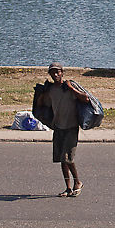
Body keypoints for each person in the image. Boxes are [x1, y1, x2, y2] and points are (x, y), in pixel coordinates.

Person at [42, 62, 90, 197]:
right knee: (61, 160)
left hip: (71, 127)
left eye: (58, 72)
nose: (56, 74)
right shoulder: (51, 90)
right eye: (53, 72)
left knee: (68, 158)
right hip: (58, 126)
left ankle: (78, 182)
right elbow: (43, 104)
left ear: (62, 73)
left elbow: (85, 98)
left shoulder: (69, 86)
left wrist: (71, 88)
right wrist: (42, 92)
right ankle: (68, 188)